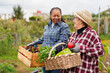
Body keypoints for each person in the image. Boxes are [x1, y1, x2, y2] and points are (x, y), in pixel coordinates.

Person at [27, 7, 71, 73]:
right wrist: (33, 43)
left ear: (61, 15)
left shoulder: (64, 27)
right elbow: (44, 38)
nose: (56, 17)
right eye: (54, 16)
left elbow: (62, 41)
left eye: (58, 16)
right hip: (45, 57)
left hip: (56, 58)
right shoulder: (48, 26)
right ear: (50, 16)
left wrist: (50, 50)